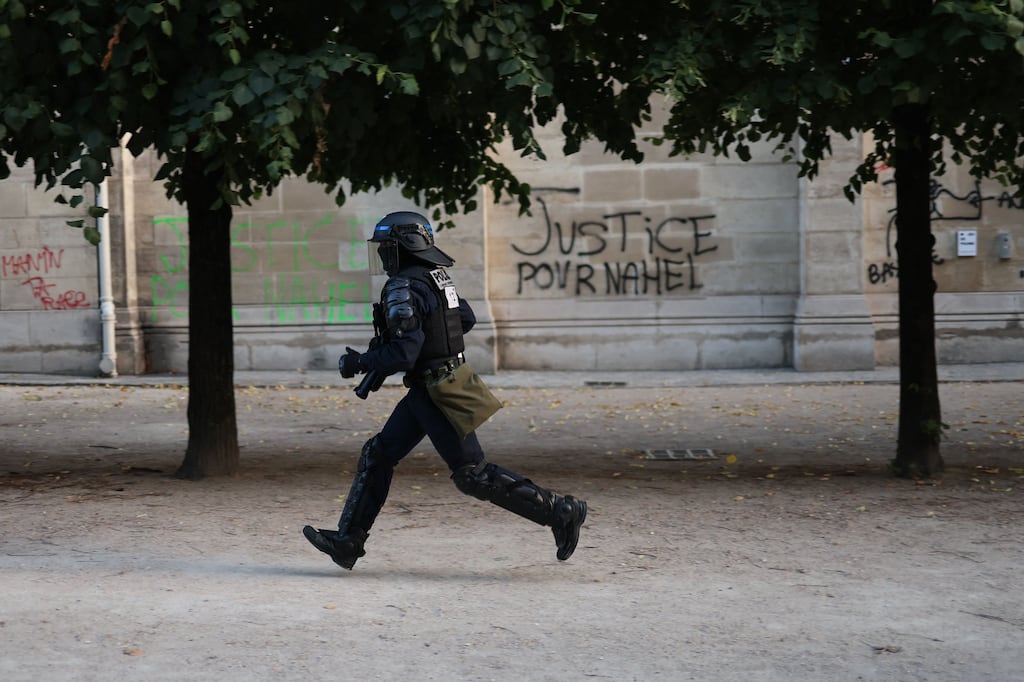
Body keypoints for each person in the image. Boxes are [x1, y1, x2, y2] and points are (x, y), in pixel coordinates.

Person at [302, 210, 587, 570]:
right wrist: (435, 341)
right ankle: (348, 541)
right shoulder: (438, 277)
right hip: (438, 384)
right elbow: (463, 318)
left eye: (387, 248)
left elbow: (404, 353)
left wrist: (359, 363)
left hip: (436, 392)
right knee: (379, 454)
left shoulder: (402, 285)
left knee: (472, 475)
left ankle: (561, 511)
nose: (383, 256)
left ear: (404, 246)